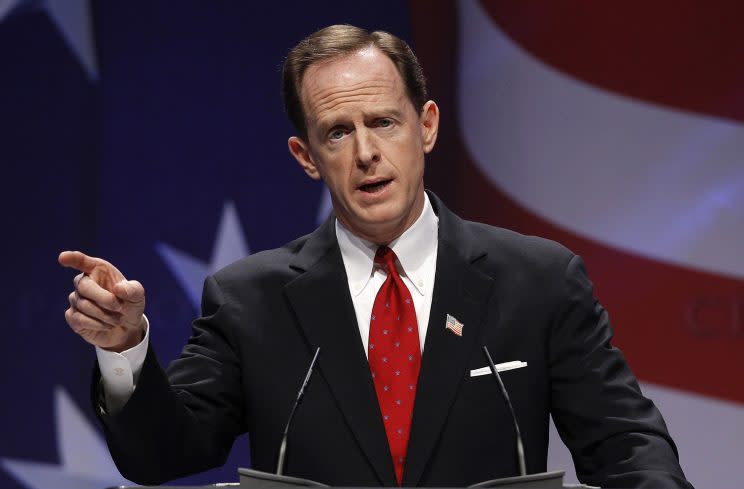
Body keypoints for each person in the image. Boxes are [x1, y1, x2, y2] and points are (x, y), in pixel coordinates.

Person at [59, 25, 692, 488]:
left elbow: (629, 447)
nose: (365, 152)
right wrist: (124, 349)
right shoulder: (250, 298)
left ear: (428, 126)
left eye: (384, 123)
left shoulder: (537, 280)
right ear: (306, 157)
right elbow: (163, 455)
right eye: (338, 132)